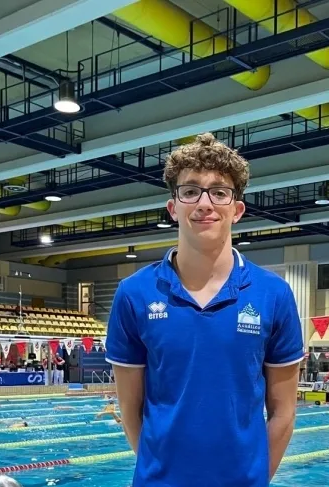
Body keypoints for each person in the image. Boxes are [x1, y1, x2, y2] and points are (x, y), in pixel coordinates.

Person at [105, 133, 303, 487]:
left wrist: (253, 479)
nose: (204, 203)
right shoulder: (134, 294)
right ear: (173, 208)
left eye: (219, 192)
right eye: (191, 191)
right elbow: (130, 411)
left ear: (237, 210)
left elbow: (284, 412)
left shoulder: (274, 294)